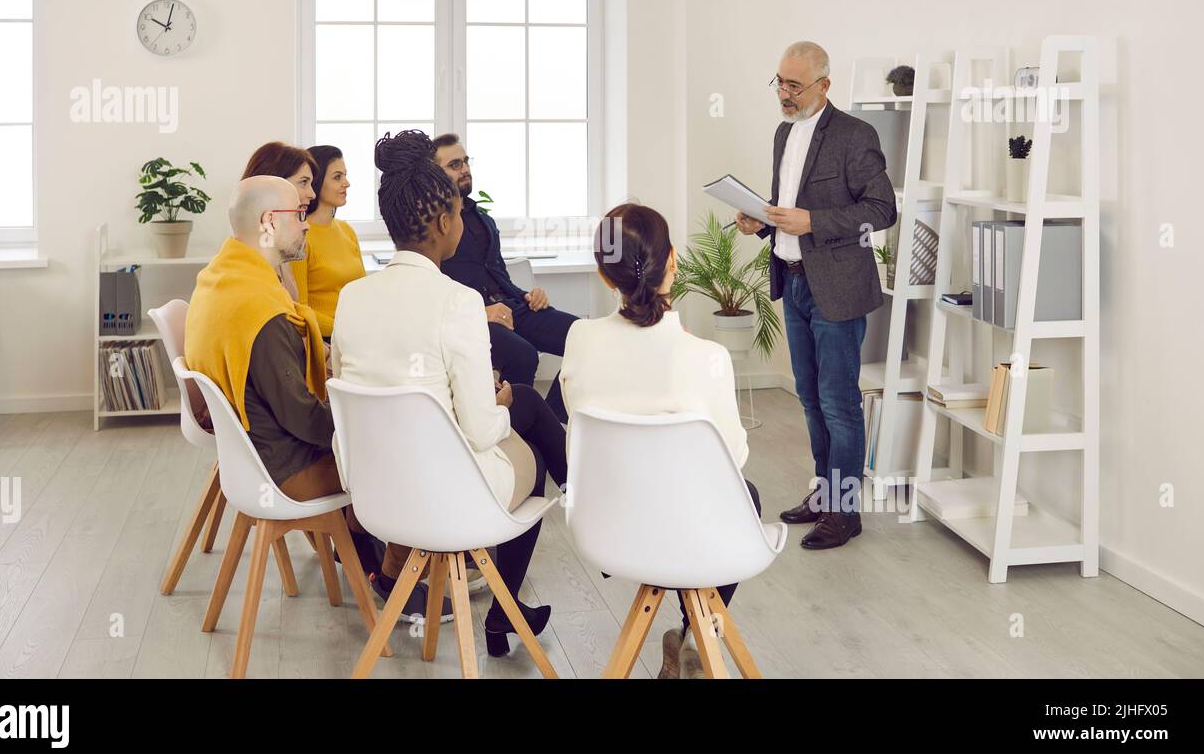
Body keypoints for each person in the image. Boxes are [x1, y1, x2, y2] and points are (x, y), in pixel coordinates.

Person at [331, 129, 566, 656]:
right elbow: (481, 431)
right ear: (443, 223)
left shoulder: (352, 298)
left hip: (374, 494)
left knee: (518, 409)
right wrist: (496, 403)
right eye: (459, 213)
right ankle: (505, 612)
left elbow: (356, 391)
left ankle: (495, 605)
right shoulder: (456, 301)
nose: (463, 220)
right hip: (447, 497)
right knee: (525, 432)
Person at [183, 175, 446, 621]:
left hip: (248, 457)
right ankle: (398, 580)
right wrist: (371, 420)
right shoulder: (262, 313)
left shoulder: (219, 279)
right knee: (411, 452)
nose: (307, 224)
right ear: (269, 222)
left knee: (391, 437)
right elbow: (304, 420)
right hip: (284, 470)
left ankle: (394, 560)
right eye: (298, 215)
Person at [559, 202, 760, 679]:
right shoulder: (706, 356)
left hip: (608, 529)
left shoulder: (579, 339)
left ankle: (689, 640)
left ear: (604, 277)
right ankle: (694, 635)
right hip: (689, 533)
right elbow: (735, 458)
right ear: (673, 261)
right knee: (746, 496)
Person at [735, 41, 896, 550]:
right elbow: (788, 209)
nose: (783, 94)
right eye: (778, 82)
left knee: (839, 402)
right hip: (793, 280)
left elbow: (882, 210)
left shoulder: (855, 135)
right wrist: (760, 221)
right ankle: (825, 495)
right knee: (809, 397)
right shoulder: (784, 133)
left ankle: (845, 514)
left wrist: (815, 222)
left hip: (838, 288)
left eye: (794, 85)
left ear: (824, 85)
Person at [431, 134, 577, 423]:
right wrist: (481, 312)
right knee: (523, 355)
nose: (465, 169)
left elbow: (497, 273)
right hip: (475, 316)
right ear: (435, 174)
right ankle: (517, 434)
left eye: (466, 162)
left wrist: (526, 294)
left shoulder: (482, 218)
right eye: (455, 164)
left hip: (513, 306)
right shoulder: (434, 225)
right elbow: (433, 291)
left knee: (583, 337)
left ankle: (548, 419)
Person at [291, 144, 366, 338]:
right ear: (316, 183)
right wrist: (343, 331)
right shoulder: (299, 236)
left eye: (345, 175)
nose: (346, 183)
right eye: (337, 177)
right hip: (324, 340)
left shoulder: (347, 231)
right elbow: (299, 309)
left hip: (357, 335)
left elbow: (363, 292)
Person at [241, 142, 318, 304]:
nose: (312, 194)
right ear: (273, 184)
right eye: (303, 182)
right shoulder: (250, 265)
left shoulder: (279, 250)